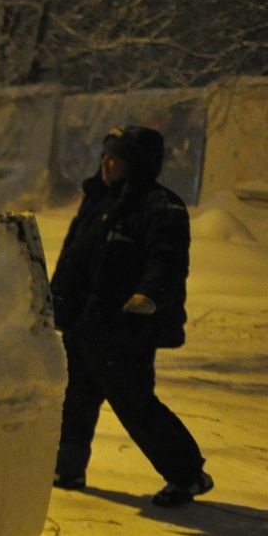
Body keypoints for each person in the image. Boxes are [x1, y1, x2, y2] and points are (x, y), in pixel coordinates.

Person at [49, 125, 211, 508]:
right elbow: (73, 257)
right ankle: (66, 469)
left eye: (116, 158)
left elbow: (167, 259)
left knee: (136, 404)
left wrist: (149, 295)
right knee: (75, 399)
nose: (106, 164)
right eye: (105, 155)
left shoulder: (160, 207)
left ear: (137, 164)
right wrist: (55, 300)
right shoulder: (99, 201)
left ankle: (187, 476)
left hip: (125, 330)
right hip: (84, 324)